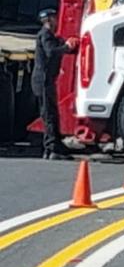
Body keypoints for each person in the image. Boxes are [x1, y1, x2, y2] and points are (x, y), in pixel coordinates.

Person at [32, 9, 77, 160]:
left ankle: (54, 145)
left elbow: (58, 46)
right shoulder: (45, 35)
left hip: (48, 80)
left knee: (51, 113)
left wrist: (68, 46)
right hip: (43, 80)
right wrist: (66, 47)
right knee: (48, 114)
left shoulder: (50, 36)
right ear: (49, 20)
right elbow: (51, 51)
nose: (57, 20)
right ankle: (52, 148)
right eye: (54, 18)